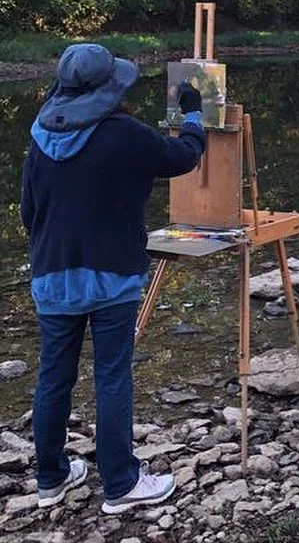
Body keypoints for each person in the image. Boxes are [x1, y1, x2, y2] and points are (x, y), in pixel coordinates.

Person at [20, 44, 206, 513]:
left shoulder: (40, 133)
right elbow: (183, 157)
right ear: (109, 87)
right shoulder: (122, 133)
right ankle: (121, 484)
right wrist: (194, 114)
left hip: (53, 276)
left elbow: (28, 211)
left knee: (53, 377)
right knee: (111, 376)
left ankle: (51, 479)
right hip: (111, 277)